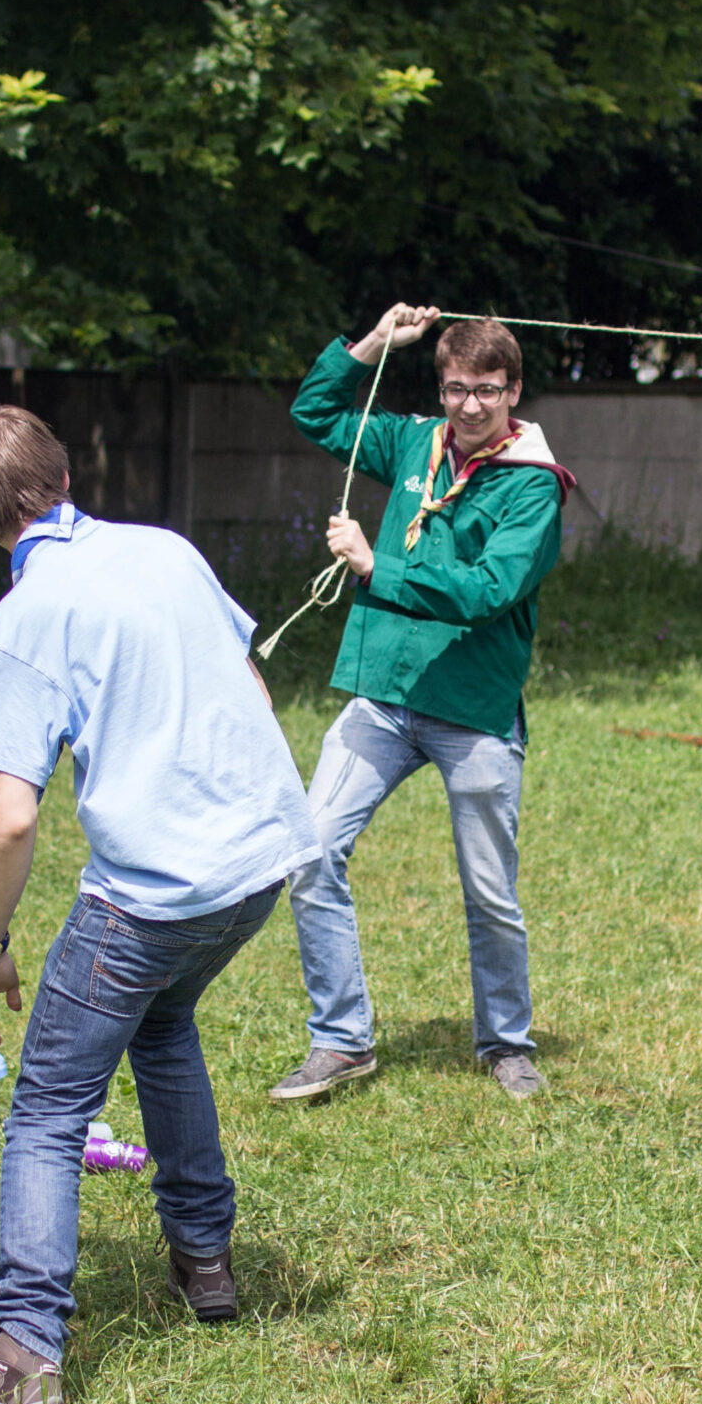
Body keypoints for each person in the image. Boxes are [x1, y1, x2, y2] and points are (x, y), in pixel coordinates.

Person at [0, 405, 321, 1404]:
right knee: (163, 1025)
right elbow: (253, 688)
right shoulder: (164, 553)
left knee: (44, 1110)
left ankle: (22, 1357)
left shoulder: (24, 618)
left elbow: (10, 818)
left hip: (157, 893)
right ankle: (205, 1261)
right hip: (259, 868)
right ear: (63, 471)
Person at [266, 304, 575, 1105]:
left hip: (473, 707)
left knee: (489, 890)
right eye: (455, 388)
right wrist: (374, 344)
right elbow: (316, 412)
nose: (470, 405)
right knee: (311, 850)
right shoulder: (411, 439)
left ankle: (506, 1043)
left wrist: (376, 568)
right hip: (384, 696)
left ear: (515, 391)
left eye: (488, 390)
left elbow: (489, 591)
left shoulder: (533, 487)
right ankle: (340, 1040)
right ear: (440, 388)